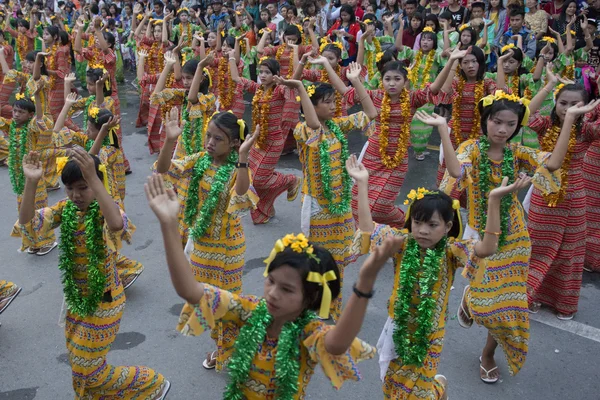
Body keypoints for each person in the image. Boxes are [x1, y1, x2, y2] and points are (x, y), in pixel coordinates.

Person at [146, 171, 387, 399]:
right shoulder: (248, 310)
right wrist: (168, 225)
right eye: (271, 281)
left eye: (287, 289)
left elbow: (337, 344)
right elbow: (190, 291)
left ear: (311, 298)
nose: (272, 293)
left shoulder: (309, 334)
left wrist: (364, 284)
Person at [349, 141, 531, 398]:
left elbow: (487, 247)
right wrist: (362, 183)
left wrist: (493, 201)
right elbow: (368, 229)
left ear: (447, 227)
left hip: (430, 334)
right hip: (398, 327)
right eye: (418, 222)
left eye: (432, 225)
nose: (423, 230)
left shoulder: (452, 251)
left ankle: (434, 388)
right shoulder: (401, 243)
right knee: (392, 388)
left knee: (414, 395)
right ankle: (438, 389)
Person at [440, 90, 593, 383]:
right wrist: (442, 132)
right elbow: (455, 169)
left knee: (508, 304)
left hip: (515, 240)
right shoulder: (472, 148)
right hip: (482, 236)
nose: (503, 130)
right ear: (485, 121)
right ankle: (472, 297)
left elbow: (552, 163)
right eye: (497, 122)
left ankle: (488, 353)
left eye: (511, 125)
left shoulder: (517, 153)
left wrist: (570, 121)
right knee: (487, 304)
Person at [17, 149, 170, 398]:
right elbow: (28, 224)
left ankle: (151, 383)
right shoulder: (65, 209)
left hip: (105, 302)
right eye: (69, 188)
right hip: (76, 302)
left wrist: (95, 180)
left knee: (88, 370)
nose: (75, 195)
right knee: (80, 367)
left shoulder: (105, 210)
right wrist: (31, 182)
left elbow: (117, 225)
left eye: (82, 187)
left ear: (96, 184)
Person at [155, 109, 259, 370]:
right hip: (202, 245)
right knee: (207, 302)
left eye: (217, 139)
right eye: (208, 136)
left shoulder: (238, 168)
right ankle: (228, 346)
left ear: (235, 143)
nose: (210, 143)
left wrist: (244, 158)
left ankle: (228, 351)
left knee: (225, 301)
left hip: (228, 249)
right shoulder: (201, 160)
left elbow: (243, 192)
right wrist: (170, 140)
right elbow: (164, 168)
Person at [289, 65, 378, 321]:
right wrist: (299, 88)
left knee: (337, 259)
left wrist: (355, 80)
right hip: (317, 204)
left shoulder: (338, 126)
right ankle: (311, 302)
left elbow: (371, 112)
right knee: (317, 258)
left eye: (333, 101)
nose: (332, 106)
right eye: (326, 102)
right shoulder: (303, 130)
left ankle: (331, 304)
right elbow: (314, 124)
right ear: (311, 106)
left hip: (339, 204)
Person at [526, 84, 600, 320]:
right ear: (555, 103)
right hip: (544, 194)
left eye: (575, 104)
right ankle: (533, 295)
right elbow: (528, 113)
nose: (568, 108)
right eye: (563, 103)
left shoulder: (588, 130)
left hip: (575, 196)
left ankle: (563, 302)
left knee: (570, 252)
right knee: (537, 246)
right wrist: (548, 86)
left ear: (586, 107)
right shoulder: (546, 126)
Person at [229, 55, 302, 224]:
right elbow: (235, 78)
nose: (262, 75)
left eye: (267, 72)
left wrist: (283, 81)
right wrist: (232, 57)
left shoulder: (279, 90)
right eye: (261, 72)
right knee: (254, 178)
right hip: (257, 140)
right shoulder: (258, 89)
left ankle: (291, 180)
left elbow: (292, 85)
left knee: (261, 178)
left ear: (275, 75)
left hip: (273, 141)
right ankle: (265, 210)